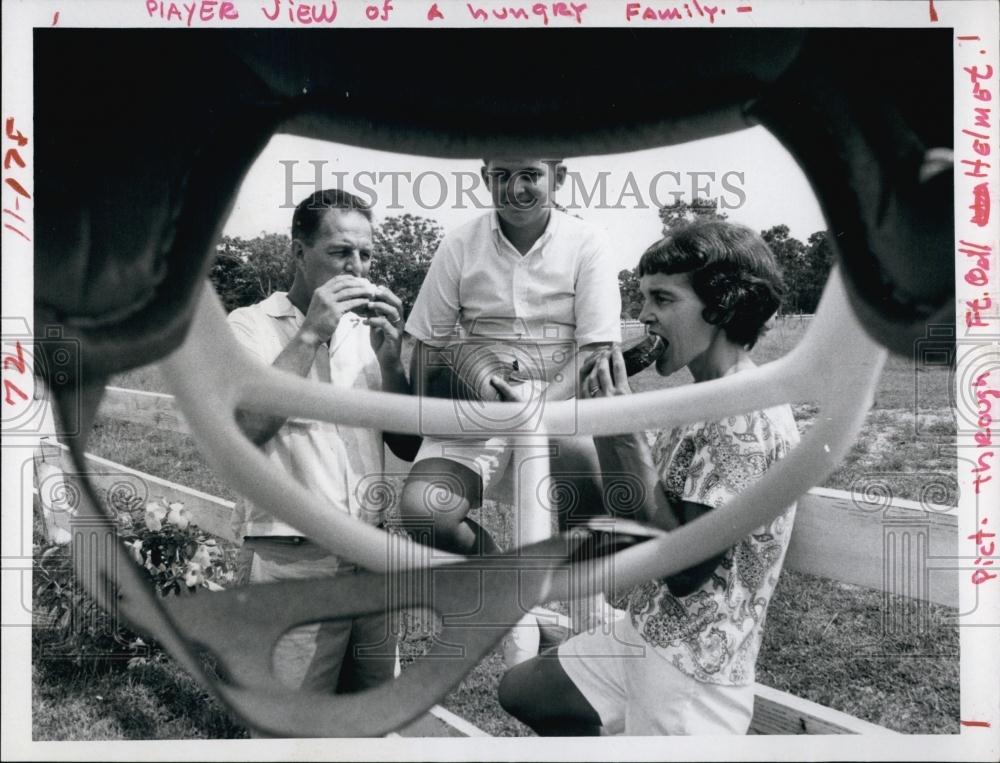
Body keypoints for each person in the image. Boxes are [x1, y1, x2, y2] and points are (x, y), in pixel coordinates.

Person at [498, 220, 801, 735]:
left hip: (693, 669)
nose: (643, 316)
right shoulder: (695, 399)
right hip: (645, 633)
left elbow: (685, 571)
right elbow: (634, 519)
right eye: (641, 298)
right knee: (522, 689)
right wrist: (603, 423)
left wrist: (626, 429)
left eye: (662, 299)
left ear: (723, 306)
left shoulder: (746, 414)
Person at [227, 188, 415, 697]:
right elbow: (243, 431)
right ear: (297, 252)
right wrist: (310, 334)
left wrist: (393, 361)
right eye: (339, 252)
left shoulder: (367, 333)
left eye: (366, 254)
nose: (356, 267)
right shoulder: (250, 325)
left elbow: (406, 443)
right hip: (294, 559)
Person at [400, 158, 622, 556]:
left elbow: (594, 348)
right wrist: (430, 412)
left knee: (592, 478)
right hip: (479, 396)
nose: (516, 188)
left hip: (558, 401)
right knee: (424, 514)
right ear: (486, 177)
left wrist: (533, 411)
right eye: (501, 175)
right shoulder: (459, 243)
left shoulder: (589, 241)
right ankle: (505, 589)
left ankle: (585, 603)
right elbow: (426, 344)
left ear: (559, 178)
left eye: (531, 175)